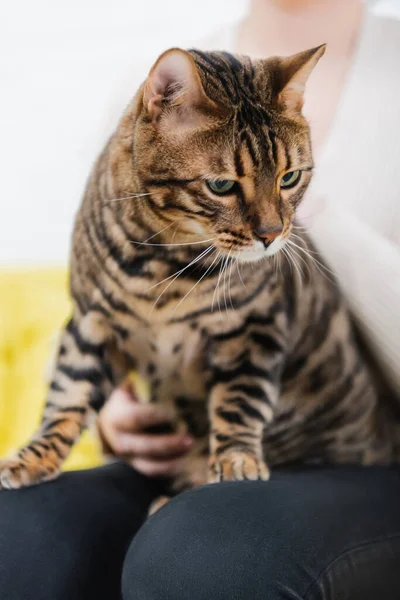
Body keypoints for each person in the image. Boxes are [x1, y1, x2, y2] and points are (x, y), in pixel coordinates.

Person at [1, 1, 400, 598]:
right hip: (192, 443)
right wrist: (118, 404)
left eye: (291, 178)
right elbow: (114, 292)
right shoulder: (165, 84)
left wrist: (308, 214)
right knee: (22, 534)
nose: (270, 227)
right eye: (221, 184)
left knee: (199, 552)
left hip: (357, 448)